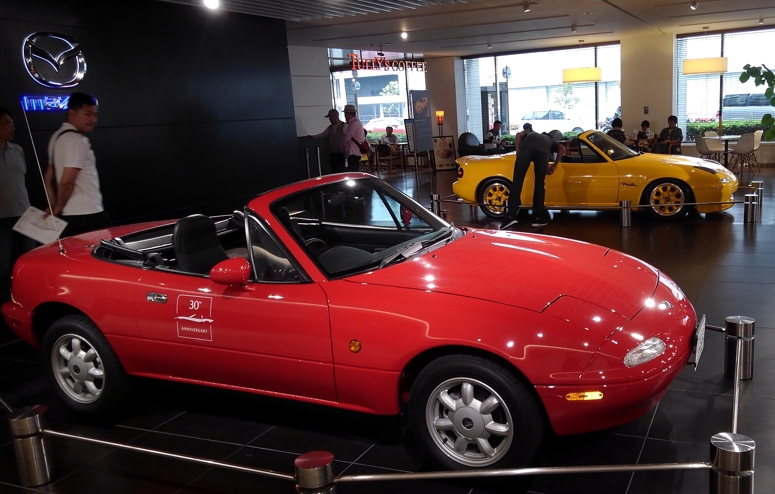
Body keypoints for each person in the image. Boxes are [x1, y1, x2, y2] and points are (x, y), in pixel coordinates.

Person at [44, 92, 110, 238]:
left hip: (70, 215)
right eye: (88, 114)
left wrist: (54, 206)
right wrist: (58, 208)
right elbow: (67, 182)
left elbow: (48, 178)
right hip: (87, 214)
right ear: (72, 113)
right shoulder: (76, 140)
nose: (93, 120)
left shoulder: (56, 137)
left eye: (95, 115)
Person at [0, 107, 36, 302]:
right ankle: (7, 301)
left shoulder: (18, 150)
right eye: (7, 123)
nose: (12, 128)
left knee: (31, 258)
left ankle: (30, 297)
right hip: (1, 217)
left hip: (25, 213)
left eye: (13, 124)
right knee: (4, 264)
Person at [501, 129, 567, 229]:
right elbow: (562, 148)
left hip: (526, 149)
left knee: (517, 183)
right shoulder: (551, 141)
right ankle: (537, 218)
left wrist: (518, 153)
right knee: (539, 185)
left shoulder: (532, 134)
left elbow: (518, 135)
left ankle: (510, 217)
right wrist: (554, 166)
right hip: (542, 152)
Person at [309, 109, 346, 173]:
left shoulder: (344, 126)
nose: (329, 119)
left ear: (335, 116)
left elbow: (348, 137)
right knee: (335, 170)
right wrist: (313, 136)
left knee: (341, 170)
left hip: (342, 153)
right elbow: (323, 134)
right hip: (333, 153)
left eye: (330, 117)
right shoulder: (330, 127)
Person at [339, 104, 365, 171]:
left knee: (353, 170)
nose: (344, 116)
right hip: (355, 150)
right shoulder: (356, 122)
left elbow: (348, 136)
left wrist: (341, 145)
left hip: (353, 151)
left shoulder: (354, 123)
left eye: (345, 114)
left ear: (349, 114)